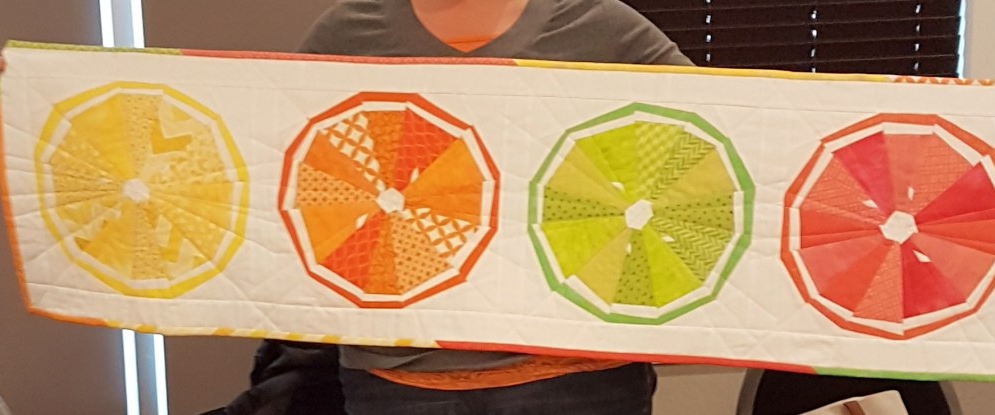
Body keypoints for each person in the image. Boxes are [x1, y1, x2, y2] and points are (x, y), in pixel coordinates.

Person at [213, 1, 693, 414]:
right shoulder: (348, 31)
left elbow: (708, 135)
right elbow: (287, 169)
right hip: (396, 377)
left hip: (574, 373)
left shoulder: (597, 24)